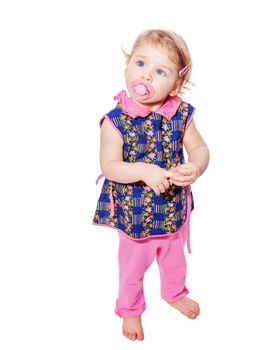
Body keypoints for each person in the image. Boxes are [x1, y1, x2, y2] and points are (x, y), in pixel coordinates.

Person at [92, 29, 210, 341]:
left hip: (171, 211)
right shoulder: (115, 121)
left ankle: (174, 292)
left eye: (160, 71)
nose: (146, 75)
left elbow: (199, 148)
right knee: (132, 269)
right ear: (127, 66)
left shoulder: (181, 115)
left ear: (177, 83)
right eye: (140, 63)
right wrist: (145, 170)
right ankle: (130, 309)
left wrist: (196, 166)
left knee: (174, 260)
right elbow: (110, 166)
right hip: (133, 215)